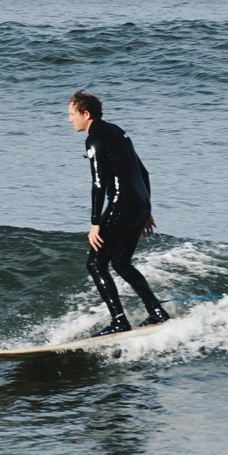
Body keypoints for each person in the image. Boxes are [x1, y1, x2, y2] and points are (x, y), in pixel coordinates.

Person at [69, 90, 170, 334]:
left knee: (95, 264)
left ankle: (119, 321)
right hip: (140, 204)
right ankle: (156, 312)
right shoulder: (116, 131)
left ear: (86, 113)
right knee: (121, 262)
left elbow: (98, 183)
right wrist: (147, 208)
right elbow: (143, 172)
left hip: (122, 204)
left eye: (72, 114)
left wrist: (95, 223)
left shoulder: (94, 139)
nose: (70, 120)